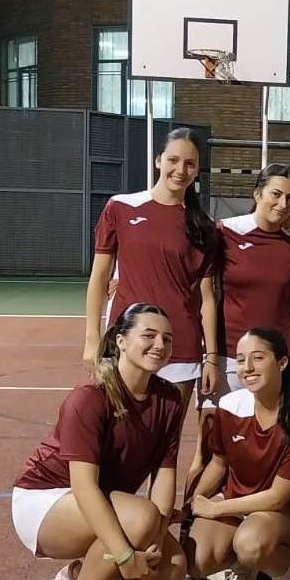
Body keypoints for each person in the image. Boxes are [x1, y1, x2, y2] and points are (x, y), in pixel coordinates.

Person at [12, 303, 187, 580]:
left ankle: (80, 574)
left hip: (102, 502)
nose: (160, 344)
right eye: (149, 335)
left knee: (170, 569)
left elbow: (165, 472)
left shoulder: (169, 399)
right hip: (46, 500)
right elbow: (84, 487)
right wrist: (124, 555)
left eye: (167, 339)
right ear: (121, 341)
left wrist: (156, 536)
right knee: (139, 519)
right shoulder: (91, 396)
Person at [183, 328, 290, 580]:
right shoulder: (230, 406)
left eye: (258, 358)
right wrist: (196, 500)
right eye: (241, 359)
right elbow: (218, 463)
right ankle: (246, 568)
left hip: (282, 511)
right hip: (237, 500)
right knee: (198, 559)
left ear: (282, 362)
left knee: (250, 541)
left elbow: (277, 497)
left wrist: (216, 508)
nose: (247, 367)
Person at [83, 127, 219, 439]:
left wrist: (210, 357)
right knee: (114, 437)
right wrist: (92, 339)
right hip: (125, 344)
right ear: (158, 160)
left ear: (197, 170)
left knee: (165, 443)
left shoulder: (203, 226)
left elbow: (207, 297)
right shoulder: (120, 207)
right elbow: (99, 277)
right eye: (173, 160)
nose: (180, 170)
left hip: (179, 347)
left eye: (190, 164)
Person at [203, 163, 290, 405]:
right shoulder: (225, 233)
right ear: (258, 194)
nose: (283, 204)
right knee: (217, 427)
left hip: (277, 358)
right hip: (229, 358)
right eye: (276, 194)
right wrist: (211, 357)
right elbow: (206, 295)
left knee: (275, 427)